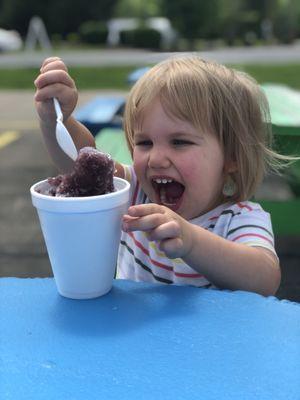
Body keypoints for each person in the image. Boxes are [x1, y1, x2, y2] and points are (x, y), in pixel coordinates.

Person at [34, 55, 283, 296]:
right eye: (144, 142)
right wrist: (57, 119)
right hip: (134, 333)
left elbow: (265, 279)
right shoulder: (135, 193)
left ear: (232, 157)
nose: (155, 158)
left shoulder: (239, 219)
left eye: (179, 142)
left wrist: (192, 241)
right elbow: (81, 165)